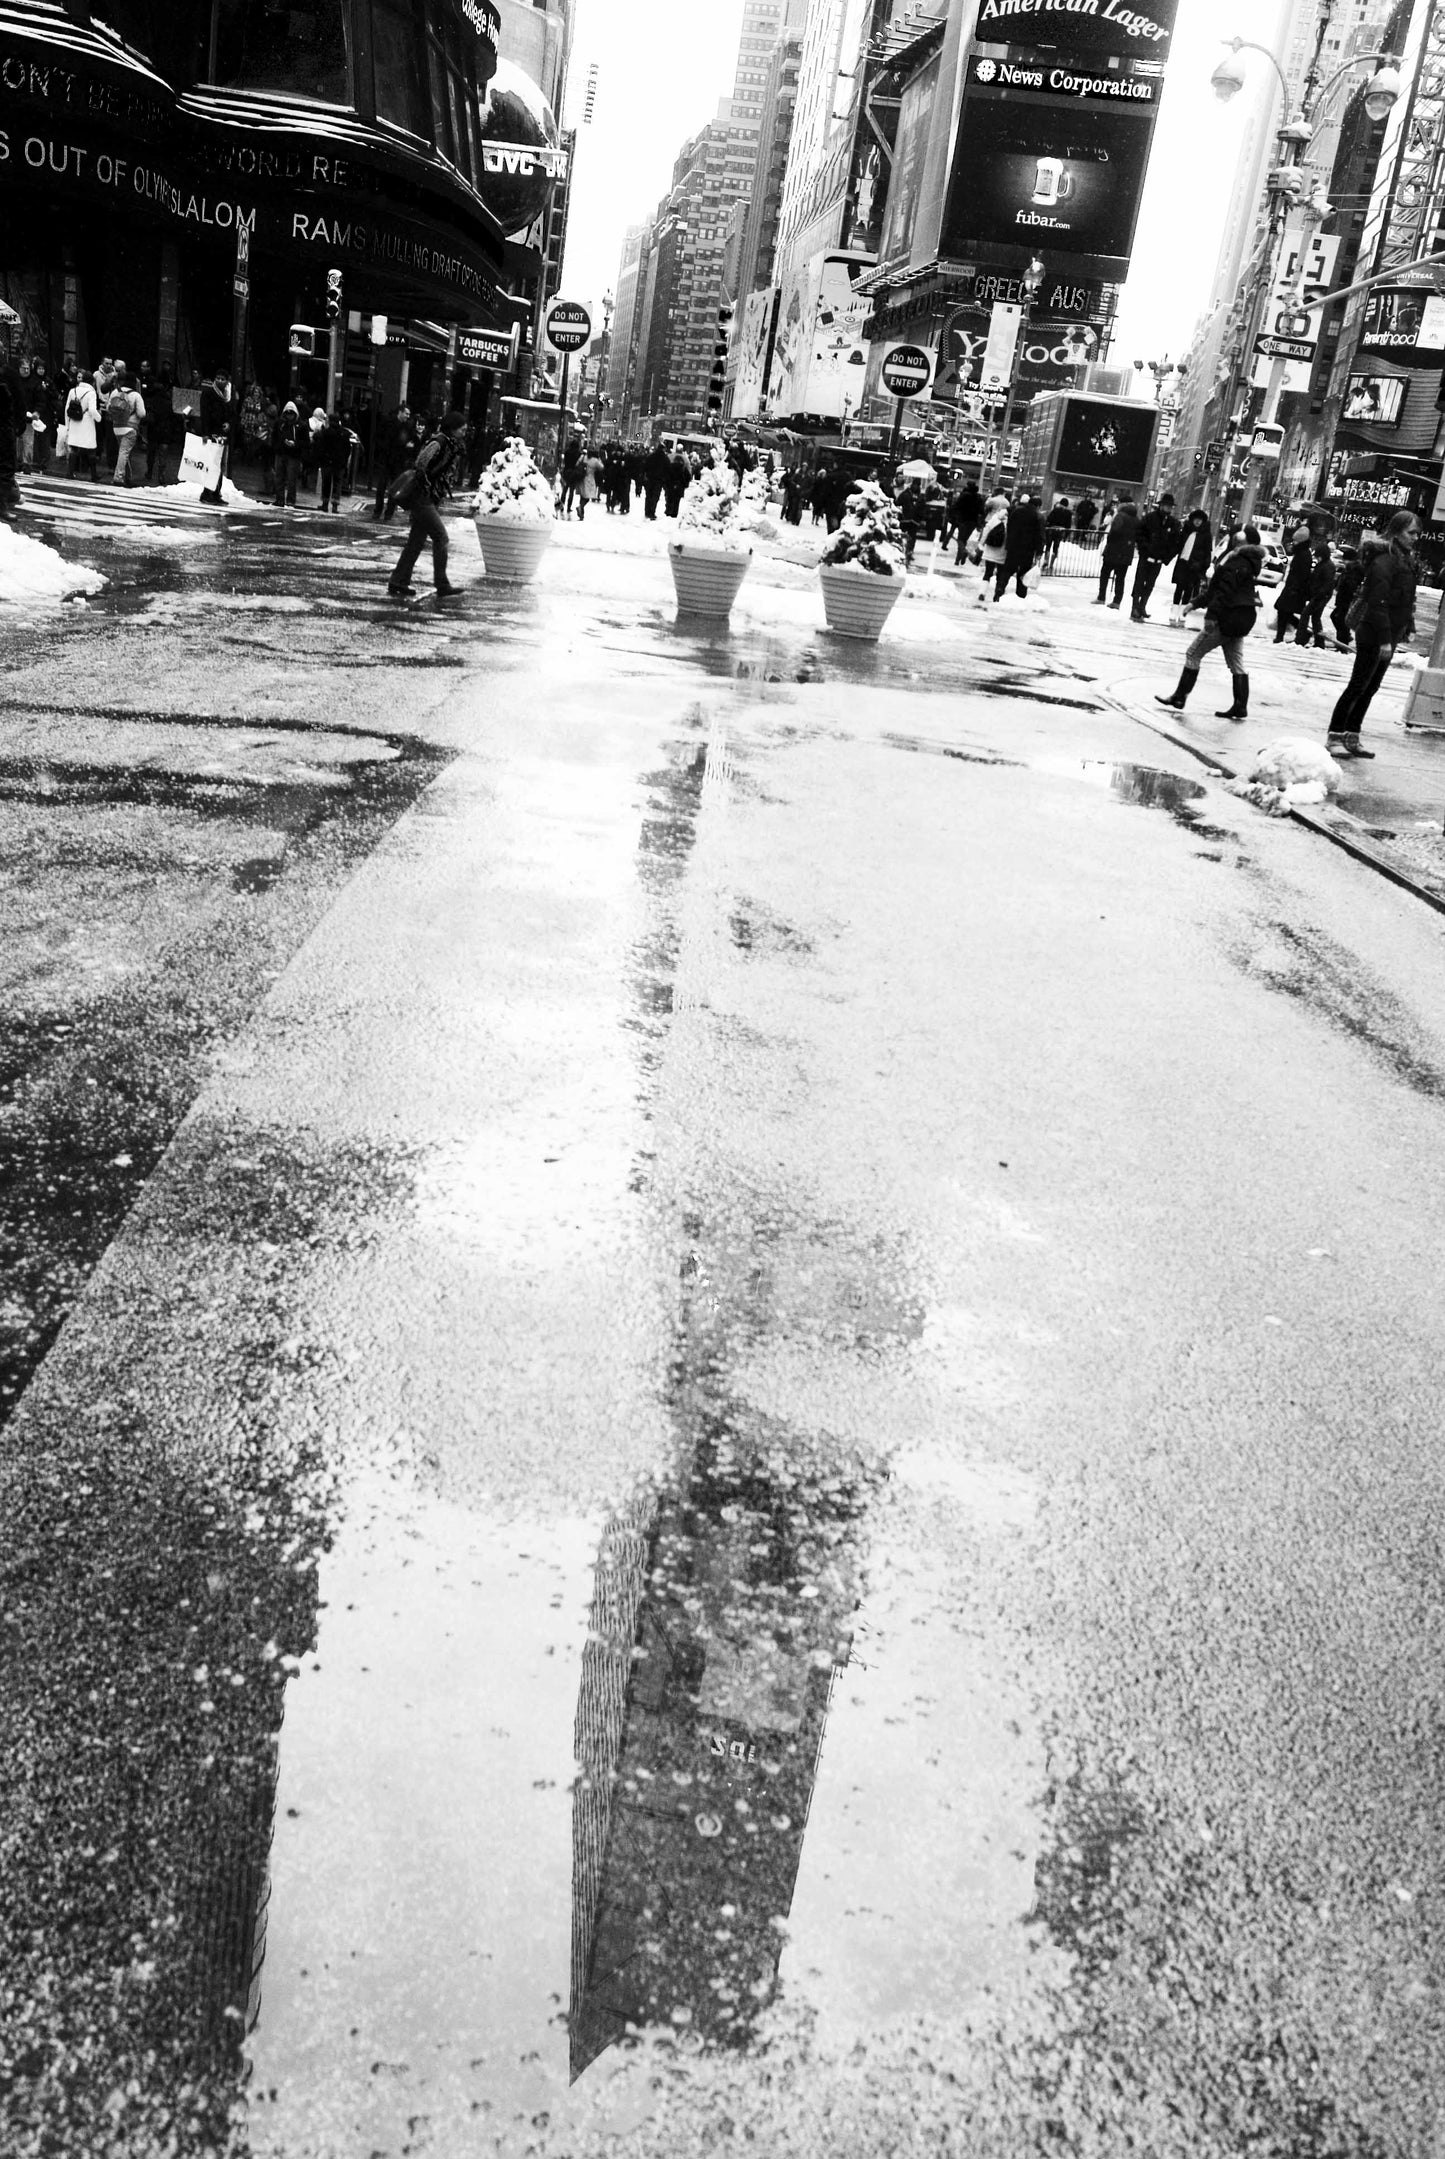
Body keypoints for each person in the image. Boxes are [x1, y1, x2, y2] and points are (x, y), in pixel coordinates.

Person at [1326, 512, 1419, 758]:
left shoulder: (1405, 560)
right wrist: (1385, 640)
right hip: (1373, 633)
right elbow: (1378, 603)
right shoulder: (1385, 560)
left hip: (1390, 633)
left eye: (1417, 533)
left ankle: (1351, 735)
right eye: (1411, 532)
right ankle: (1335, 735)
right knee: (1358, 685)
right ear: (1396, 531)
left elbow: (1406, 600)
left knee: (1370, 687)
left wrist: (1407, 627)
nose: (1415, 537)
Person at [1155, 523, 1265, 720]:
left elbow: (1222, 591)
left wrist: (1211, 616)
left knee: (1193, 653)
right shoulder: (1250, 561)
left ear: (1239, 540)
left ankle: (1180, 697)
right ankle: (1240, 706)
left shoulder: (1236, 561)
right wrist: (1195, 603)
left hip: (1227, 616)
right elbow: (1218, 589)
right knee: (1236, 662)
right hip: (1242, 617)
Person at [387, 410, 469, 599]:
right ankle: (442, 584)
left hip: (429, 497)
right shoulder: (439, 442)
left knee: (416, 542)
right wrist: (427, 484)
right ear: (453, 428)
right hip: (422, 497)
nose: (464, 433)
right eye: (462, 430)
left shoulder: (450, 444)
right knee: (441, 537)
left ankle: (398, 580)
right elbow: (421, 462)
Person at [1130, 491, 1182, 621]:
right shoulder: (1150, 518)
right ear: (1161, 505)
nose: (1168, 508)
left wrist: (1167, 557)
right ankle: (1135, 607)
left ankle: (1142, 606)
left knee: (1150, 584)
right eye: (1166, 506)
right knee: (1139, 582)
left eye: (1170, 507)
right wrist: (1145, 549)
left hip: (1158, 559)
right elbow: (1139, 534)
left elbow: (1176, 542)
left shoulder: (1173, 523)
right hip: (1146, 557)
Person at [994, 490, 1045, 602]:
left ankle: (999, 589)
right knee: (1023, 572)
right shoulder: (1038, 516)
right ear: (1038, 506)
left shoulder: (1017, 511)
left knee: (1007, 570)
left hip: (1013, 546)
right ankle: (1020, 596)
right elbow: (1040, 535)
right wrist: (1039, 551)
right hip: (1028, 549)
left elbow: (1009, 526)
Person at [1168, 510, 1213, 625]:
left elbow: (1207, 552)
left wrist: (1203, 566)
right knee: (1179, 587)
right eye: (1195, 519)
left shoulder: (1206, 535)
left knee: (1189, 589)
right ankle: (1174, 610)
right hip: (1182, 563)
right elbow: (1178, 545)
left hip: (1195, 566)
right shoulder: (1186, 531)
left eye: (1200, 520)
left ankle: (1183, 612)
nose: (1197, 522)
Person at [197, 372, 233, 504]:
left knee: (220, 465)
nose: (220, 381)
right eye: (218, 378)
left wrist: (228, 423)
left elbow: (231, 413)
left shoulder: (228, 395)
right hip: (212, 433)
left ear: (227, 381)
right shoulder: (208, 393)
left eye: (222, 379)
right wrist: (205, 433)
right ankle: (207, 493)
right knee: (212, 464)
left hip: (222, 434)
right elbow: (205, 414)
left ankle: (217, 492)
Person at [1095, 498, 1139, 607]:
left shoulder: (1120, 516)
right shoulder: (1136, 519)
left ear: (1123, 504)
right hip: (1126, 553)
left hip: (1113, 550)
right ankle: (1117, 601)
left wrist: (1110, 541)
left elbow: (1114, 531)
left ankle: (1101, 597)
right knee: (1120, 578)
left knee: (1105, 573)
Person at [1272, 533, 1315, 642]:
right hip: (1293, 588)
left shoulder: (1303, 555)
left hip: (1294, 589)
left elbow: (1302, 574)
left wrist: (1294, 588)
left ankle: (1281, 637)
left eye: (1295, 541)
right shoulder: (1302, 553)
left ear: (1301, 541)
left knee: (1283, 611)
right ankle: (1301, 632)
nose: (1293, 543)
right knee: (1285, 613)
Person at [107, 371, 146, 487]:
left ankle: (128, 477)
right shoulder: (136, 395)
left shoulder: (115, 392)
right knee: (124, 452)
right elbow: (142, 413)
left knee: (124, 452)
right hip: (130, 428)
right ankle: (118, 478)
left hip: (116, 427)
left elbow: (109, 408)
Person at [64, 369, 101, 481]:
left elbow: (67, 409)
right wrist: (99, 418)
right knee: (91, 449)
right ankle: (94, 475)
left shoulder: (73, 391)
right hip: (87, 422)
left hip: (74, 422)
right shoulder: (91, 393)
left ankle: (70, 472)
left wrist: (67, 426)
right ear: (92, 382)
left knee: (74, 448)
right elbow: (92, 410)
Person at [1330, 545, 1363, 651]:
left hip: (1347, 600)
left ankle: (1342, 644)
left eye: (1345, 559)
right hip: (1343, 599)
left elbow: (1350, 585)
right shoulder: (1349, 568)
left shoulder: (1354, 569)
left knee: (1341, 620)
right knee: (1336, 617)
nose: (1344, 561)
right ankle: (1344, 639)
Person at [272, 399, 303, 508]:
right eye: (288, 414)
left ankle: (290, 500)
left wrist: (295, 445)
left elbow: (305, 442)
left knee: (291, 479)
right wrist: (278, 446)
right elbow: (274, 437)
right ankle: (280, 499)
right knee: (279, 477)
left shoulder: (300, 426)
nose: (289, 416)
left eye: (291, 414)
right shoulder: (280, 424)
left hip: (293, 455)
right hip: (281, 453)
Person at [317, 408, 350, 511]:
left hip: (327, 462)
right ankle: (335, 505)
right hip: (339, 463)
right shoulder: (344, 433)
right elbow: (347, 450)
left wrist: (321, 459)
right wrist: (344, 461)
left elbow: (320, 447)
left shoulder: (325, 433)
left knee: (326, 483)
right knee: (337, 483)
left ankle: (325, 503)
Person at [642, 440, 670, 520]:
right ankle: (652, 512)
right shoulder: (665, 458)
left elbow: (645, 466)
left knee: (648, 496)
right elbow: (668, 470)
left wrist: (645, 475)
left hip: (650, 479)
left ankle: (647, 511)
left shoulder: (651, 456)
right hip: (659, 481)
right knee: (655, 497)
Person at [1043, 495, 1071, 570]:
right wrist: (1066, 535)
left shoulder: (1055, 510)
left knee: (1048, 546)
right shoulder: (1068, 513)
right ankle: (1051, 564)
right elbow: (1068, 525)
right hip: (1060, 531)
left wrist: (1047, 528)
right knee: (1056, 547)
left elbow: (1049, 519)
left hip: (1052, 530)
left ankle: (1046, 561)